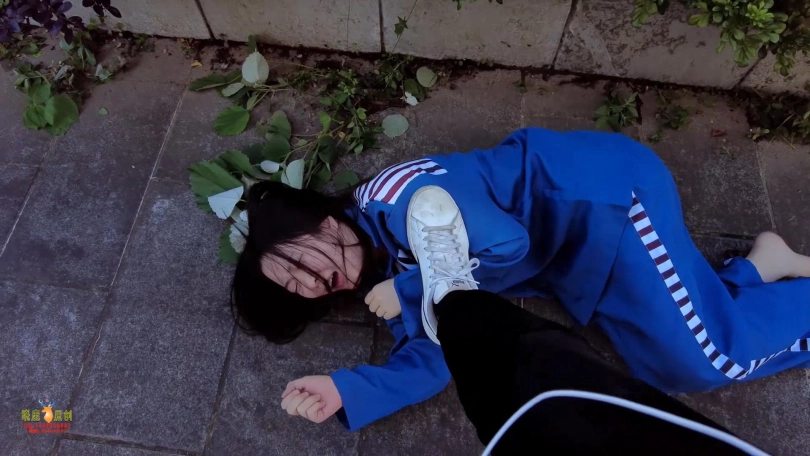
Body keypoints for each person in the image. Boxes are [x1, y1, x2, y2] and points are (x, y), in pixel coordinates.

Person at [232, 127, 810, 431]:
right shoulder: (375, 269)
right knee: (657, 365)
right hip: (574, 268)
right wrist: (347, 390)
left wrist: (409, 288)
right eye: (300, 290)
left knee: (708, 359)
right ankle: (761, 266)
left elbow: (506, 243)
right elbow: (441, 350)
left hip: (608, 207)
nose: (316, 282)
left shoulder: (398, 198)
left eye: (300, 263)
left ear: (318, 220)